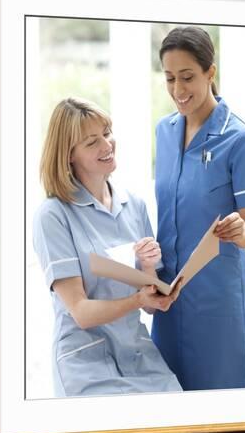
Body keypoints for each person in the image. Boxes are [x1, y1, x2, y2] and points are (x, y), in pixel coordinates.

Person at [33, 97, 183, 397]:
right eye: (92, 141)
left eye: (107, 131)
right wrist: (138, 300)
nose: (107, 144)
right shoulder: (53, 215)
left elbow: (151, 302)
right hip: (85, 362)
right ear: (68, 155)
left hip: (139, 354)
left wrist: (152, 275)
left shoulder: (133, 204)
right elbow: (81, 312)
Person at [151, 26, 245, 391]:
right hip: (170, 300)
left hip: (219, 306)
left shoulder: (241, 140)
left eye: (188, 77)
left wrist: (238, 227)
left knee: (226, 420)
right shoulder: (164, 132)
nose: (178, 90)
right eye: (170, 78)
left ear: (210, 72)